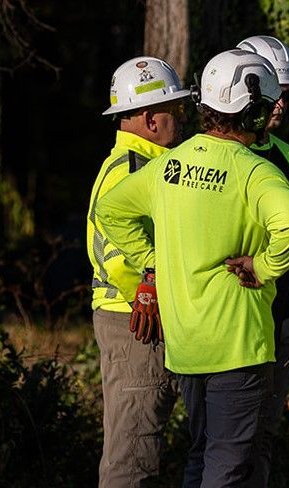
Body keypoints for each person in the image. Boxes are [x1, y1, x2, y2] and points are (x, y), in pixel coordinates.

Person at [96, 49, 289, 487]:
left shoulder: (172, 163)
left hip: (185, 341)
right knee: (226, 462)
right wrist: (265, 267)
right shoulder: (255, 170)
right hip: (237, 342)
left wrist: (157, 265)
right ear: (251, 113)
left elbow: (111, 210)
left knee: (201, 454)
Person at [86, 56, 190, 488]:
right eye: (175, 110)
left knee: (141, 449)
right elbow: (114, 255)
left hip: (140, 318)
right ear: (150, 119)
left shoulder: (141, 165)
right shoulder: (133, 169)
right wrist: (150, 293)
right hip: (135, 321)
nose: (181, 119)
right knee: (133, 456)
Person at [235, 34, 289, 487]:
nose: (282, 104)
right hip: (225, 324)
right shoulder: (213, 153)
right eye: (275, 93)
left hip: (279, 319)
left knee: (262, 438)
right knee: (217, 440)